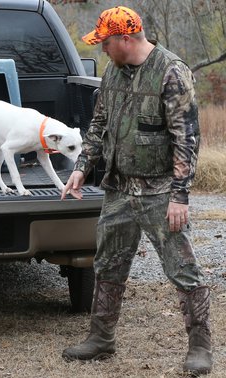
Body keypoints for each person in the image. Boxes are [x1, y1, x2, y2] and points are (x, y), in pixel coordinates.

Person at [61, 6, 212, 375]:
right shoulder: (113, 71)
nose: (102, 50)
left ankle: (200, 348)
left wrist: (180, 196)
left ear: (125, 39)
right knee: (108, 263)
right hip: (118, 188)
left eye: (106, 43)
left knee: (183, 269)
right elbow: (99, 125)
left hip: (161, 192)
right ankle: (101, 338)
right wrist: (82, 168)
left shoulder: (171, 72)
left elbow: (186, 140)